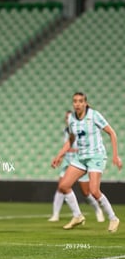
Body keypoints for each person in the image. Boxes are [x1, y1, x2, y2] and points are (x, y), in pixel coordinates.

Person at [52, 92, 122, 232]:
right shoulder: (72, 118)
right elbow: (71, 140)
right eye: (75, 101)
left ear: (85, 103)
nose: (77, 104)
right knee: (64, 185)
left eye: (80, 101)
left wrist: (116, 155)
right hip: (81, 156)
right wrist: (59, 155)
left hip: (96, 156)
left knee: (94, 191)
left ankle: (113, 218)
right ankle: (77, 216)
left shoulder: (94, 115)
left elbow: (112, 133)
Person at [49, 110, 104, 223]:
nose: (68, 119)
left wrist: (70, 150)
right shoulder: (67, 131)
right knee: (61, 186)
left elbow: (82, 145)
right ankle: (56, 215)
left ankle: (98, 210)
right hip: (67, 161)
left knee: (86, 192)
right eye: (66, 118)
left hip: (80, 161)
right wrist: (60, 156)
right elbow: (67, 144)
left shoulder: (81, 129)